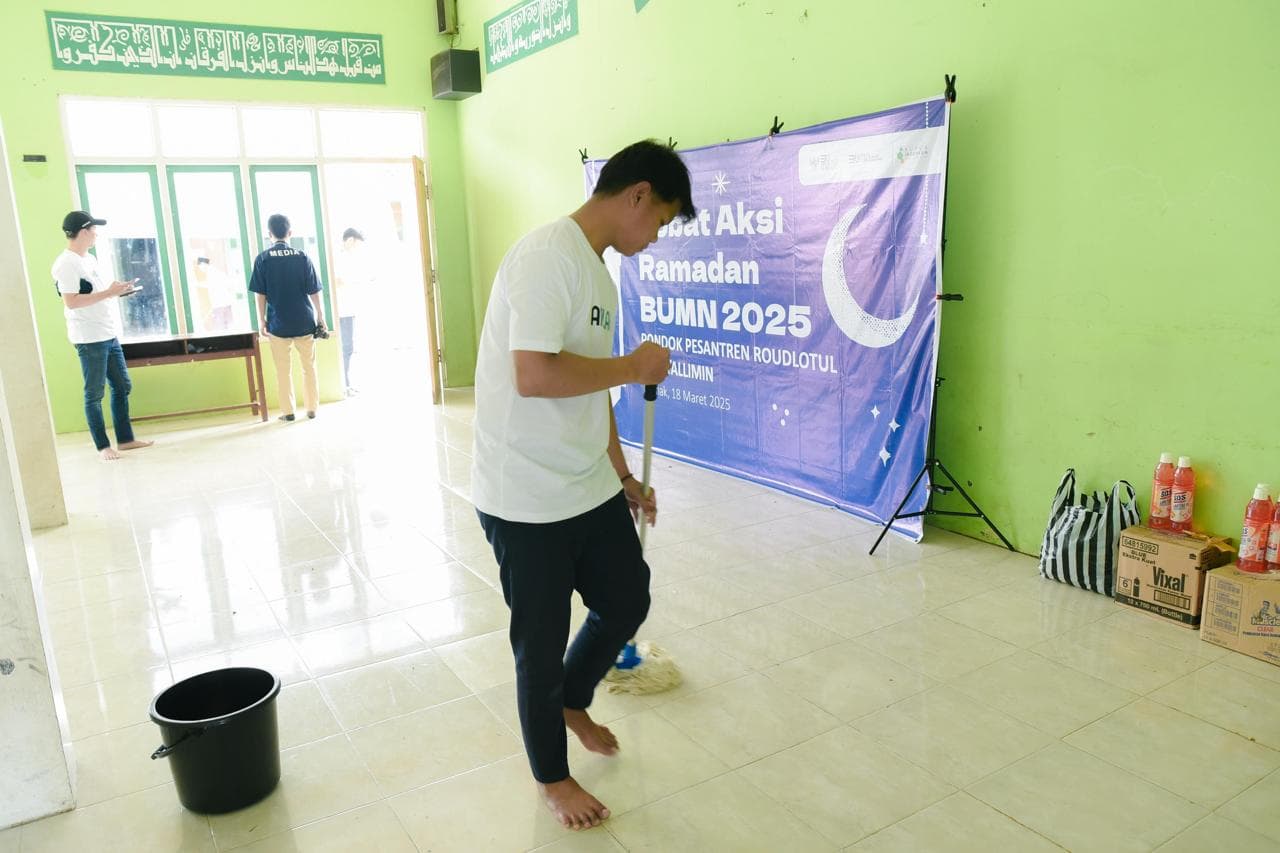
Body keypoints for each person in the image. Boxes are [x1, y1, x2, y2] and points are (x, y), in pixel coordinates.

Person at [470, 140, 695, 831]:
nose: (654, 238)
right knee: (538, 643)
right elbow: (534, 375)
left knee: (627, 594)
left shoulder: (599, 274)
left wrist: (623, 473)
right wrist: (633, 366)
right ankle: (552, 775)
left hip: (587, 483)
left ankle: (572, 698)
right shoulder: (546, 256)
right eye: (659, 219)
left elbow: (588, 389)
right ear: (636, 194)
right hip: (524, 497)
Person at [52, 210, 154, 461]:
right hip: (89, 338)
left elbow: (97, 294)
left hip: (107, 333)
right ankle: (102, 447)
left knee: (122, 385)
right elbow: (71, 302)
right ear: (84, 231)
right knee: (94, 394)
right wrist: (109, 293)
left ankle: (126, 439)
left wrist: (118, 290)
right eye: (94, 229)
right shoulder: (66, 264)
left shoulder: (90, 260)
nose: (97, 234)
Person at [248, 214, 327, 422]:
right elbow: (314, 291)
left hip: (278, 323)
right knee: (309, 367)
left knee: (283, 371)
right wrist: (321, 316)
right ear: (290, 233)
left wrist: (262, 320)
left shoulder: (263, 259)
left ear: (269, 234)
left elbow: (260, 294)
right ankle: (312, 409)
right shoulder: (302, 257)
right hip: (304, 321)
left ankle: (288, 412)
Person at [335, 227, 371, 395]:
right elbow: (339, 281)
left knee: (348, 347)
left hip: (348, 308)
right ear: (350, 240)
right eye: (357, 244)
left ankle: (346, 384)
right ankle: (345, 385)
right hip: (343, 309)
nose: (357, 248)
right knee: (346, 347)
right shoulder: (339, 258)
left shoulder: (345, 258)